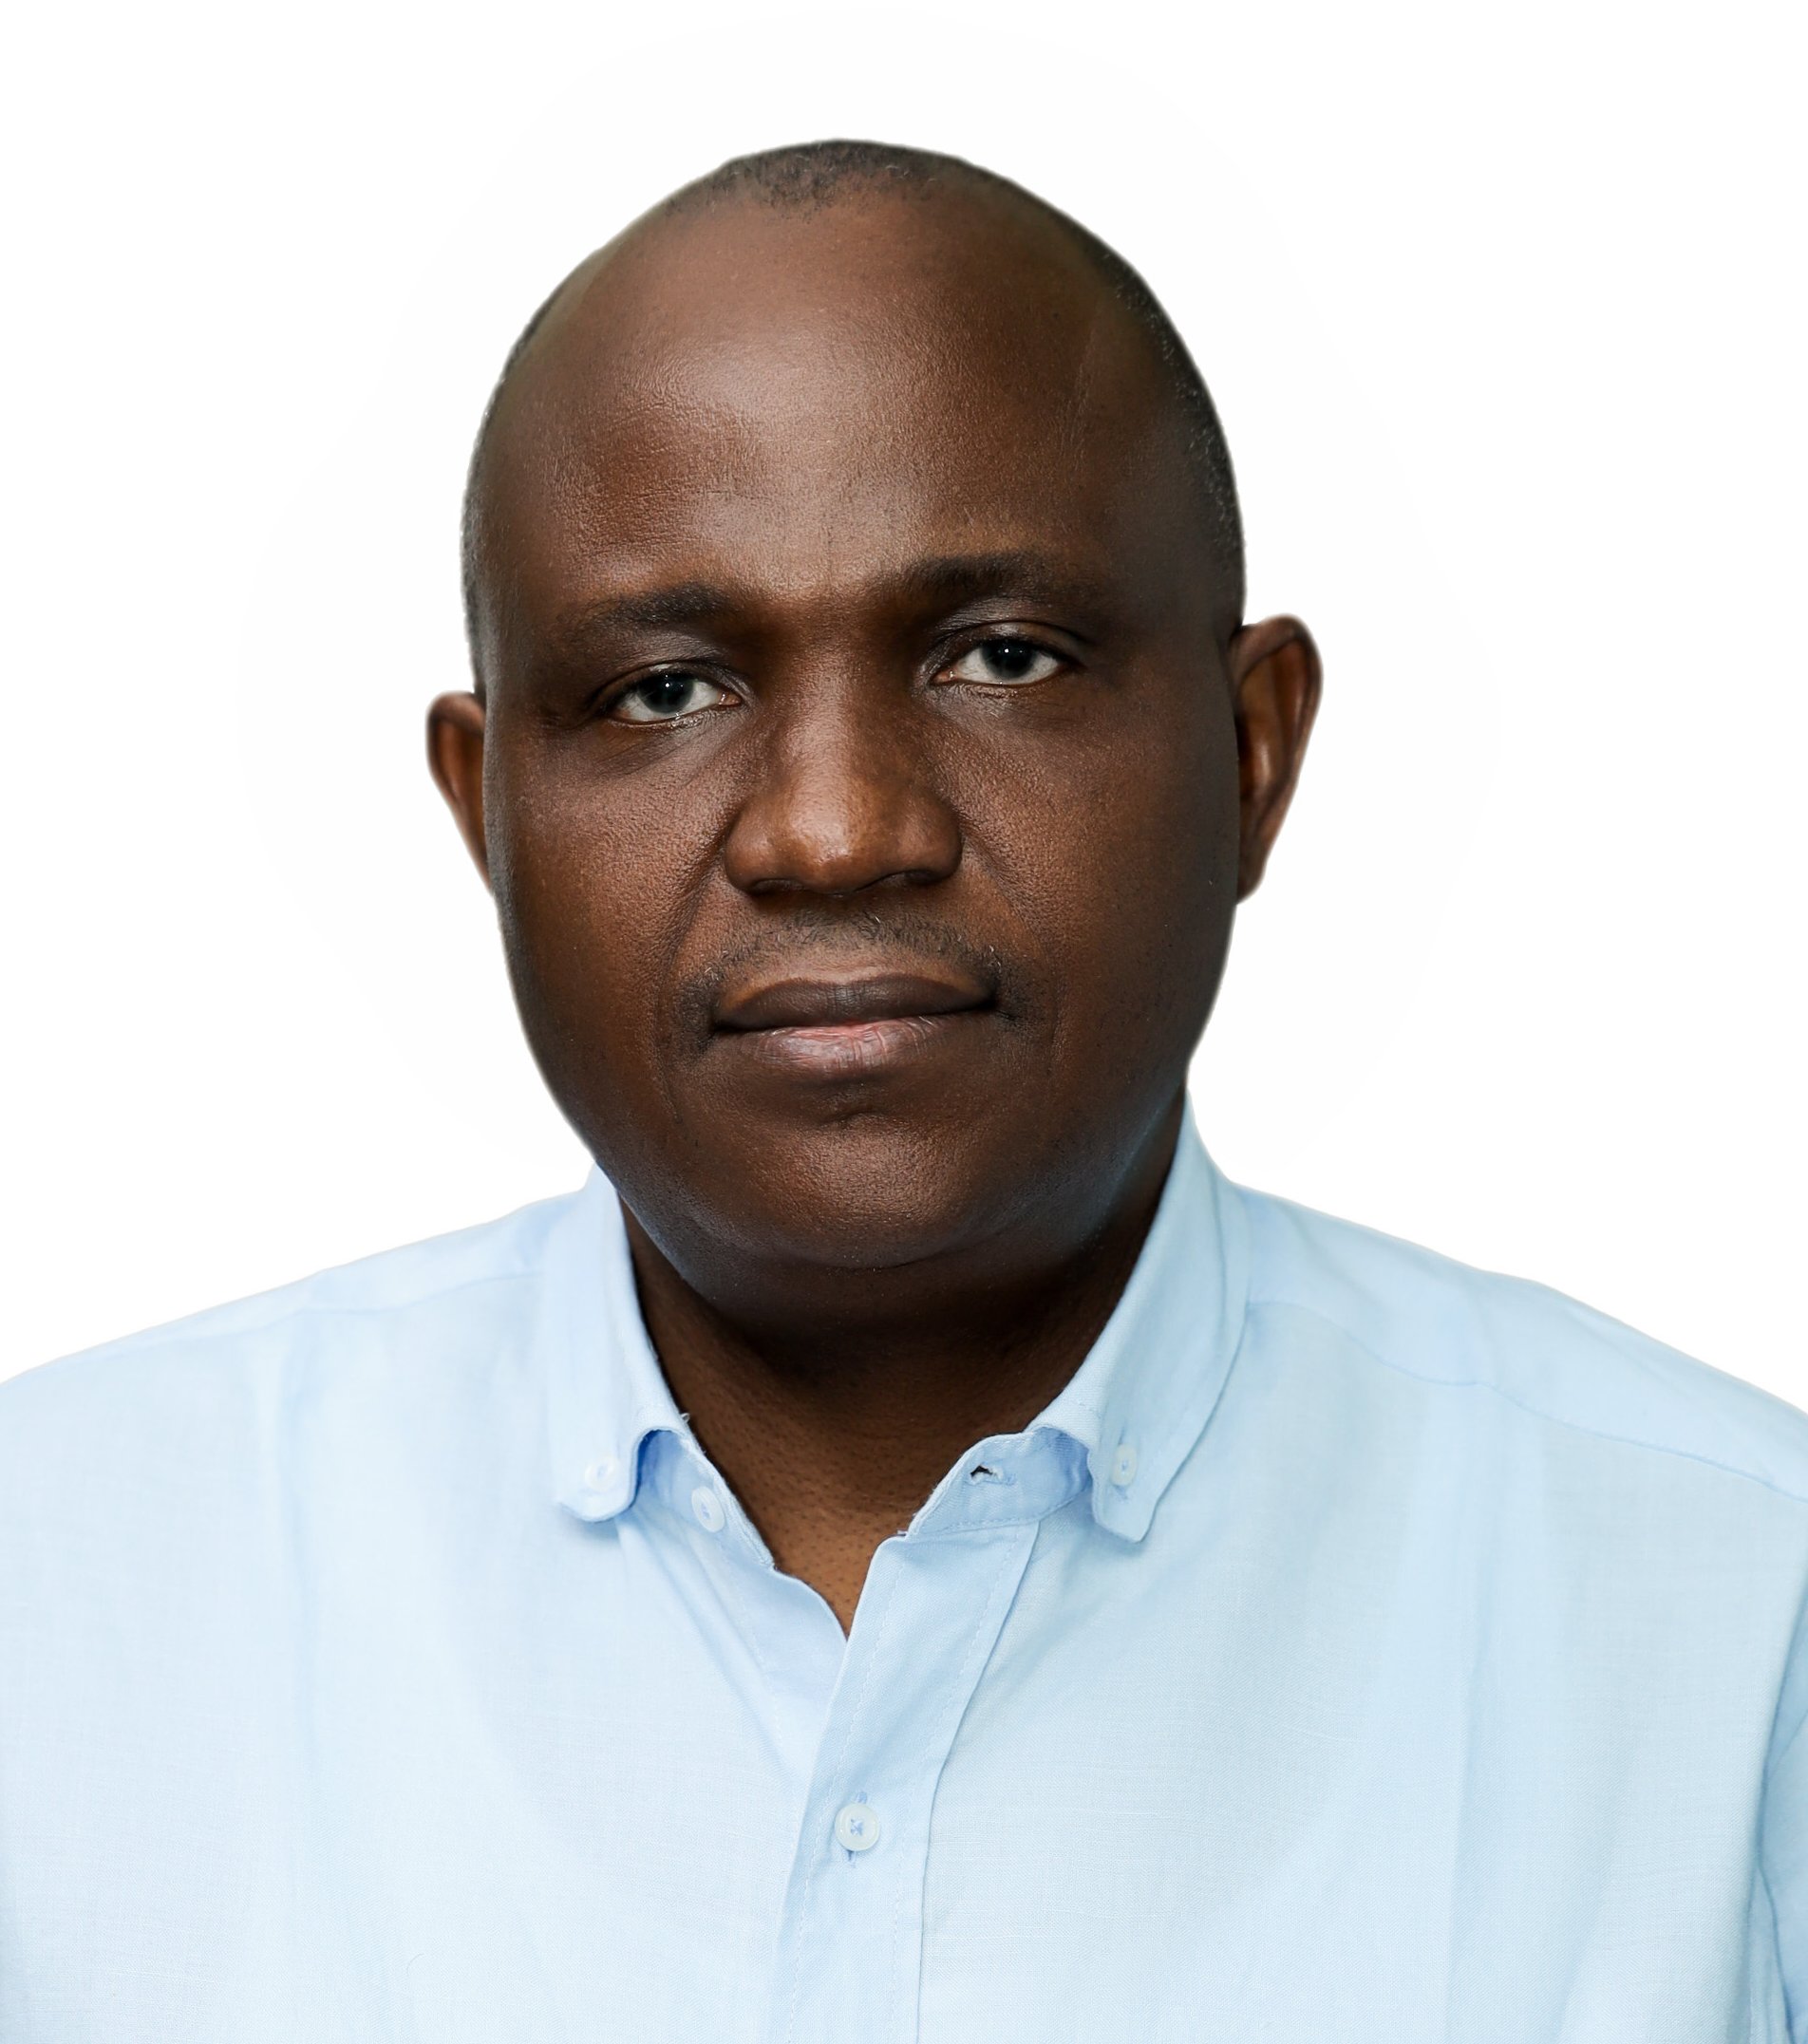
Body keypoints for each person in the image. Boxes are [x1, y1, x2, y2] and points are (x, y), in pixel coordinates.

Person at [3, 139, 1805, 2043]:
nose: (835, 828)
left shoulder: (1737, 1621)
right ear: (486, 812)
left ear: (1252, 751)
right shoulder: (58, 1589)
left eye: (1000, 657)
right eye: (664, 690)